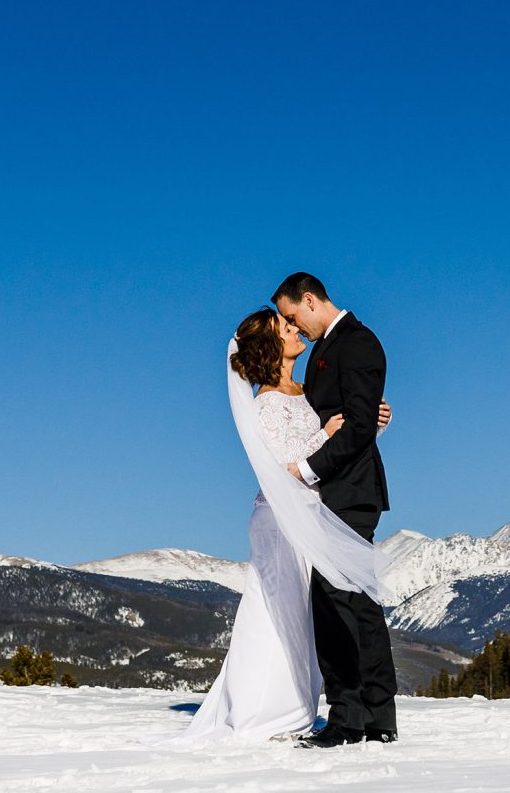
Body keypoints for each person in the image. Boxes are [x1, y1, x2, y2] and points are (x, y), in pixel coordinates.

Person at [181, 300, 393, 743]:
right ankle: (266, 710)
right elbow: (280, 465)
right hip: (280, 520)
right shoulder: (266, 404)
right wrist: (327, 433)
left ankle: (305, 705)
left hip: (312, 516)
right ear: (271, 344)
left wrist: (369, 425)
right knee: (279, 611)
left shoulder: (306, 391)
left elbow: (336, 442)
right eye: (285, 325)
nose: (295, 328)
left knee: (310, 614)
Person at [274, 272, 398, 747]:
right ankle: (376, 717)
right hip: (340, 490)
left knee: (334, 603)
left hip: (349, 492)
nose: (293, 327)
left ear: (309, 300)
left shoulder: (358, 342)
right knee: (359, 603)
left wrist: (307, 470)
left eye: (291, 317)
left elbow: (359, 424)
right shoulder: (329, 347)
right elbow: (349, 416)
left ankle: (347, 719)